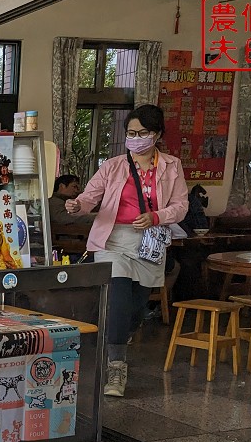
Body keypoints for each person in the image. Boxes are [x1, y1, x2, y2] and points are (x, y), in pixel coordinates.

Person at [65, 104, 188, 397]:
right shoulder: (113, 166)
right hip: (113, 241)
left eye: (142, 133)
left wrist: (156, 216)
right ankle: (116, 368)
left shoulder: (172, 166)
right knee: (118, 302)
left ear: (156, 134)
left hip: (148, 243)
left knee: (136, 309)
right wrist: (77, 206)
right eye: (130, 133)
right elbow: (89, 196)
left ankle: (121, 335)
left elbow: (182, 206)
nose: (135, 139)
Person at [48, 174, 96, 256]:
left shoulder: (67, 200)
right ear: (62, 186)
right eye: (74, 187)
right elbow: (64, 218)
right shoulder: (54, 201)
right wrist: (94, 217)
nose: (77, 190)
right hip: (67, 247)